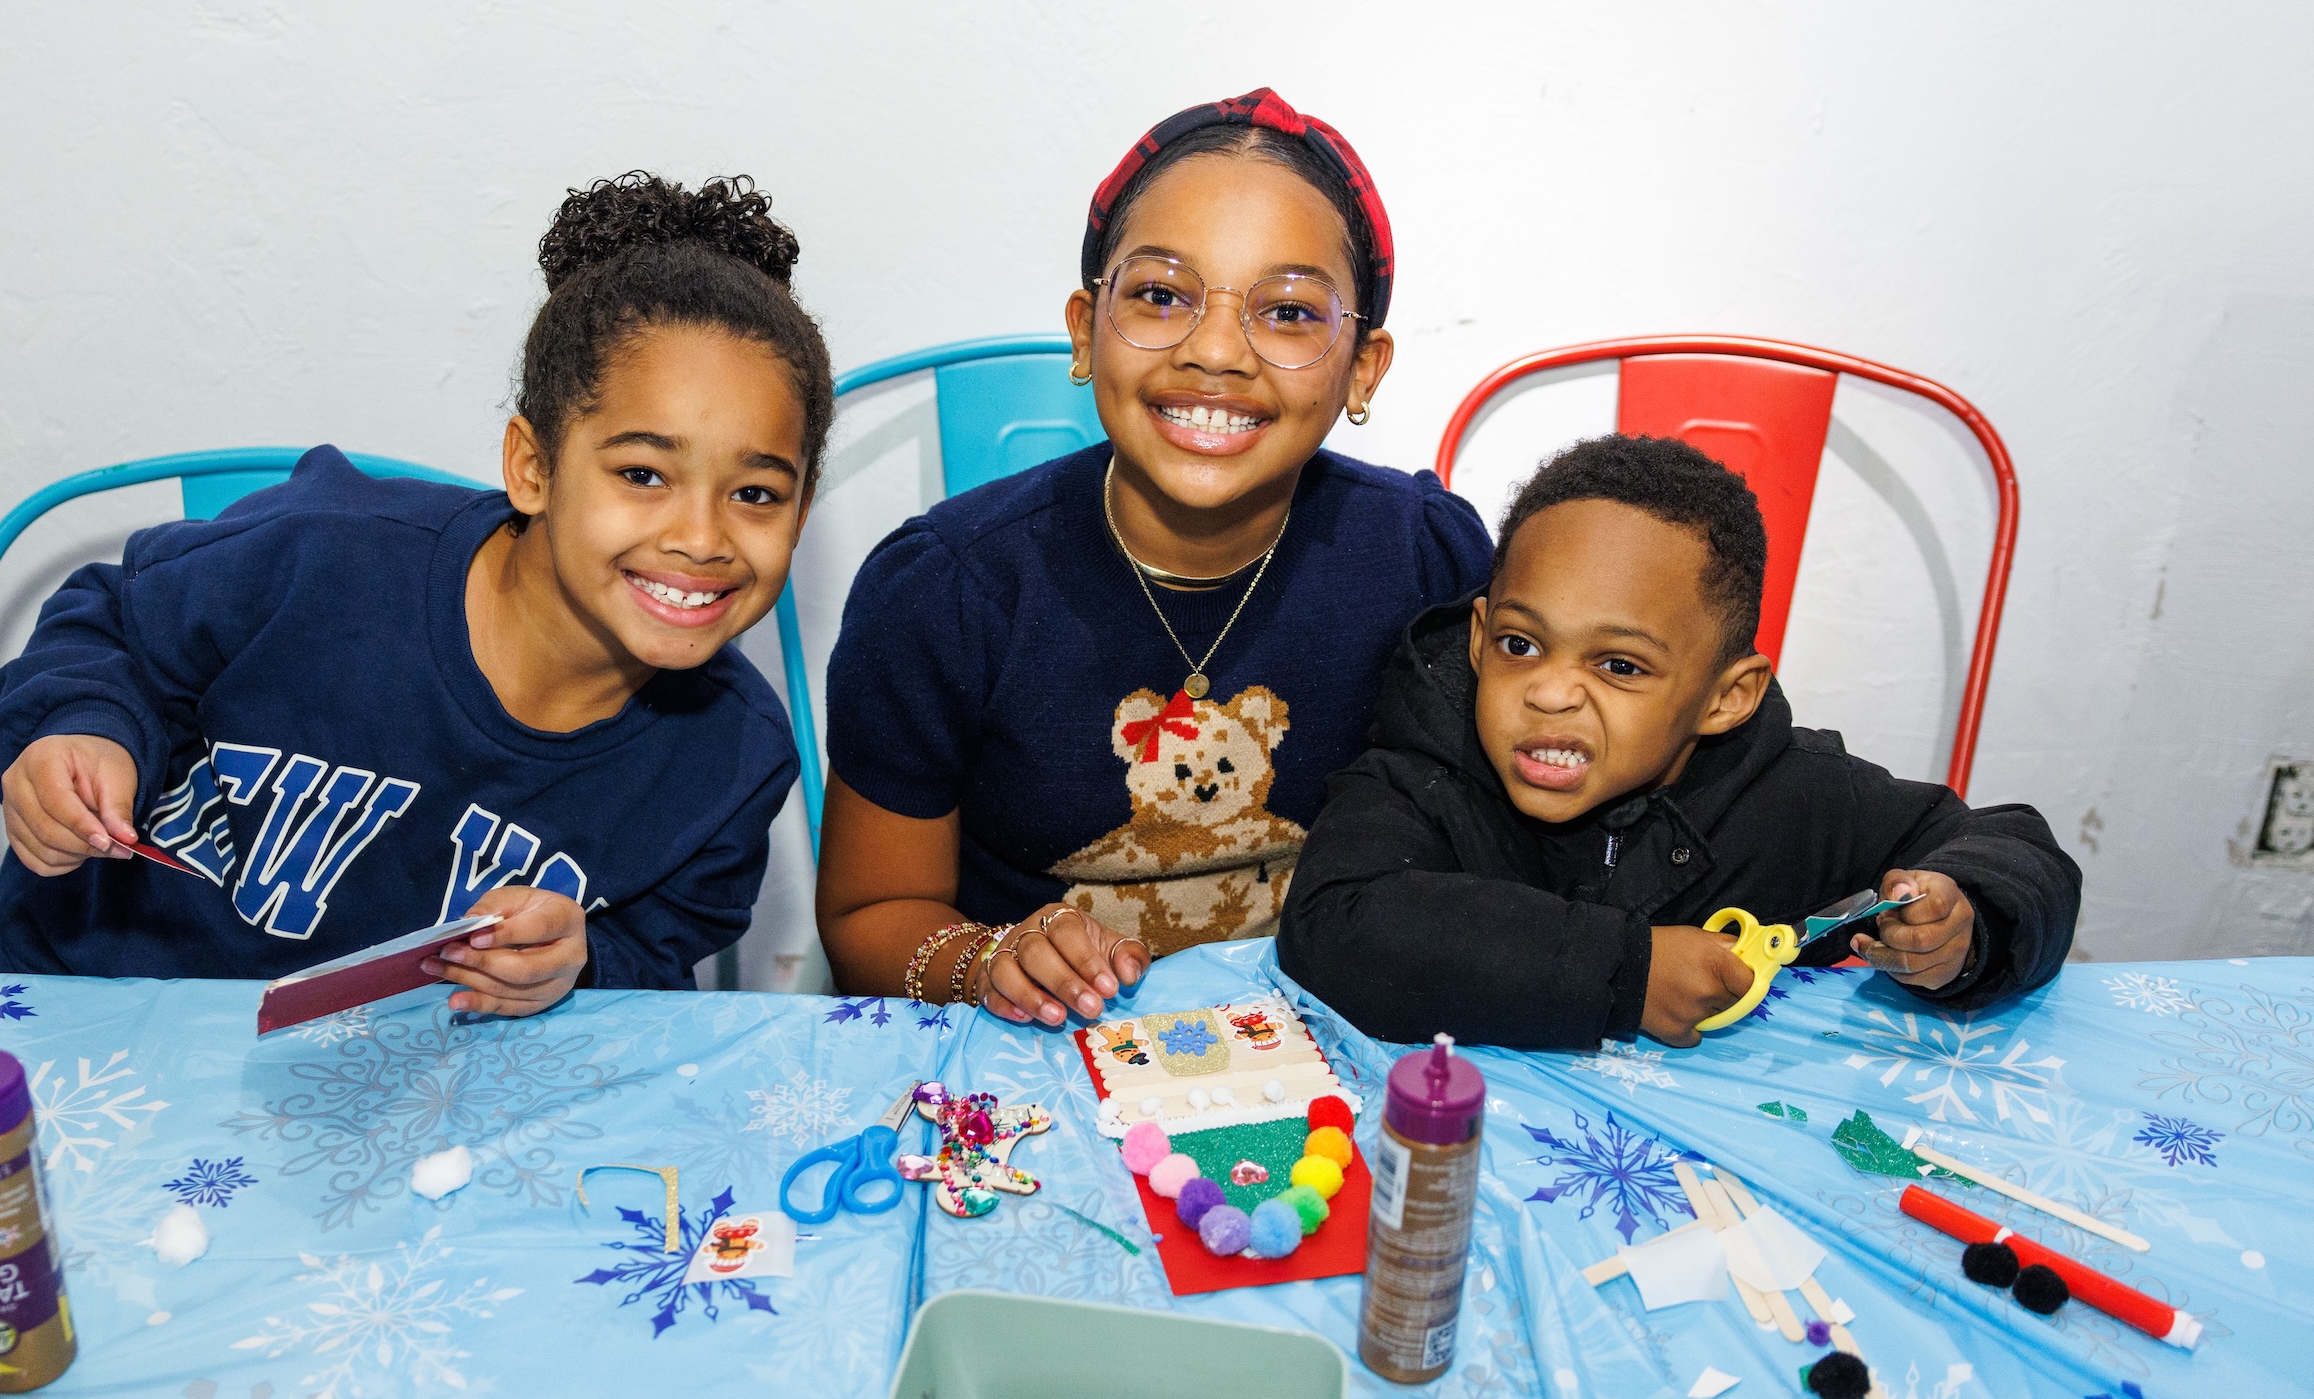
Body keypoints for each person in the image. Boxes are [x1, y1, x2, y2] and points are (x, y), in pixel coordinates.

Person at [0, 173, 829, 1012]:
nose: (701, 537)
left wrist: (580, 963)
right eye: (642, 473)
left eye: (756, 493)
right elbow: (110, 624)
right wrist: (81, 726)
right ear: (533, 467)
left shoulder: (733, 758)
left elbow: (655, 954)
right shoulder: (323, 556)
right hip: (66, 1001)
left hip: (408, 1078)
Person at [819, 89, 1492, 1027]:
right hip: (1045, 1054)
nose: (1215, 351)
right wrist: (989, 960)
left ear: (1363, 368)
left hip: (1337, 1044)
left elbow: (1495, 848)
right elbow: (869, 915)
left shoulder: (1425, 560)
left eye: (1288, 311)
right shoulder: (944, 594)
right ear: (1085, 329)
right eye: (1162, 295)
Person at [1278, 433, 2082, 1048]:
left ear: (1726, 698)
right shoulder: (1425, 767)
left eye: (1619, 665)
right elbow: (1334, 925)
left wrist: (1965, 921)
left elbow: (2007, 843)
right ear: (1481, 638)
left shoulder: (1786, 792)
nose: (1550, 692)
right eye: (1522, 644)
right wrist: (1625, 971)